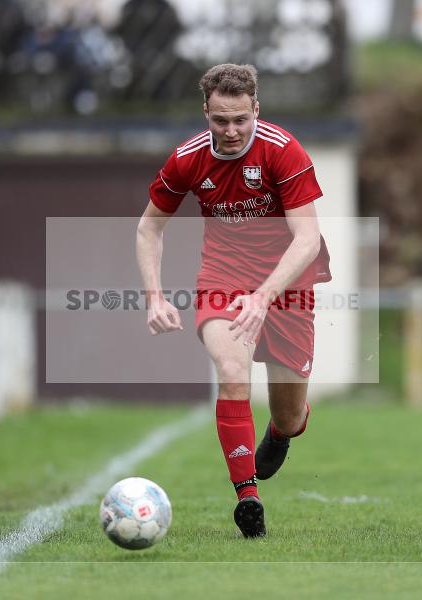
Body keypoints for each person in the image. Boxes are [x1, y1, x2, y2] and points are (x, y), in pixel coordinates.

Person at [136, 64, 331, 538]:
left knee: (287, 412)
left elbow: (307, 238)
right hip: (222, 277)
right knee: (231, 371)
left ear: (256, 110)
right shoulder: (187, 159)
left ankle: (284, 430)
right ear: (206, 112)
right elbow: (149, 228)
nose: (230, 130)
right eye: (220, 120)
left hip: (287, 284)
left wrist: (264, 297)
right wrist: (155, 297)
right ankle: (248, 499)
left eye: (240, 119)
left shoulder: (283, 151)